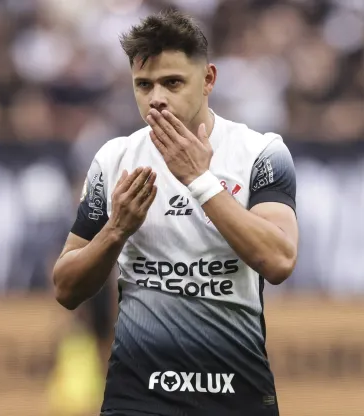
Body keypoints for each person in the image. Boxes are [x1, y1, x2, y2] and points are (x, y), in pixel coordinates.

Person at [51, 9, 299, 416]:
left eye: (172, 82)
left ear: (208, 80)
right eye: (143, 85)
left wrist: (201, 181)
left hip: (236, 396)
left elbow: (279, 259)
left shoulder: (261, 153)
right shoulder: (114, 160)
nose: (157, 99)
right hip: (137, 399)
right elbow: (65, 288)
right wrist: (116, 231)